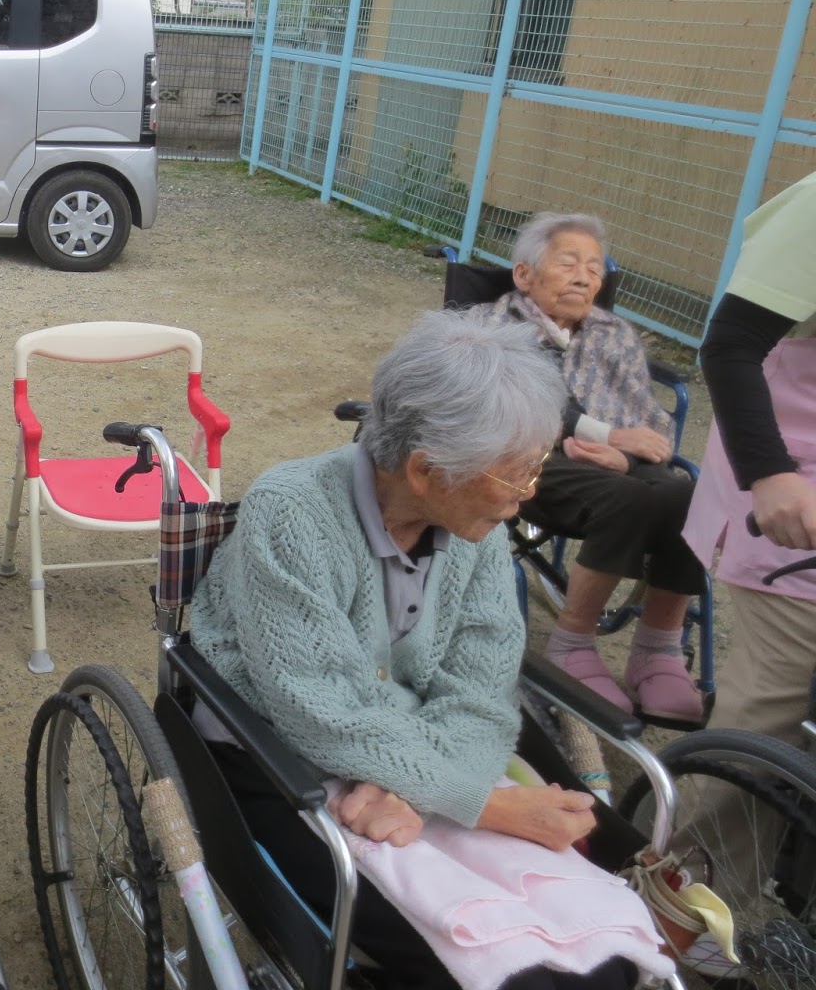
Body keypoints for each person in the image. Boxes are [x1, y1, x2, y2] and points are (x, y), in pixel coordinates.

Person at [191, 312, 656, 990]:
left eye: (536, 468)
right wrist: (491, 807)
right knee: (499, 972)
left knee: (603, 959)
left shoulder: (477, 529)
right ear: (425, 470)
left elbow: (483, 690)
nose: (528, 495)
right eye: (516, 476)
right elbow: (319, 710)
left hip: (421, 750)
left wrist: (411, 788)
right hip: (272, 753)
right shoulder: (290, 514)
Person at [476, 213, 707, 723]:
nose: (584, 277)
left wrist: (625, 455)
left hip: (613, 466)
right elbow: (507, 407)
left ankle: (658, 650)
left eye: (595, 268)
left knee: (690, 497)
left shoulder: (613, 335)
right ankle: (572, 643)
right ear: (524, 275)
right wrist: (605, 436)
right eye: (568, 264)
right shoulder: (492, 328)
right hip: (526, 460)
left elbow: (650, 424)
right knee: (630, 497)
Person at [685, 168, 816, 746]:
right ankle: (709, 810)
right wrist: (770, 474)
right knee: (779, 695)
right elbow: (732, 342)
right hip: (795, 484)